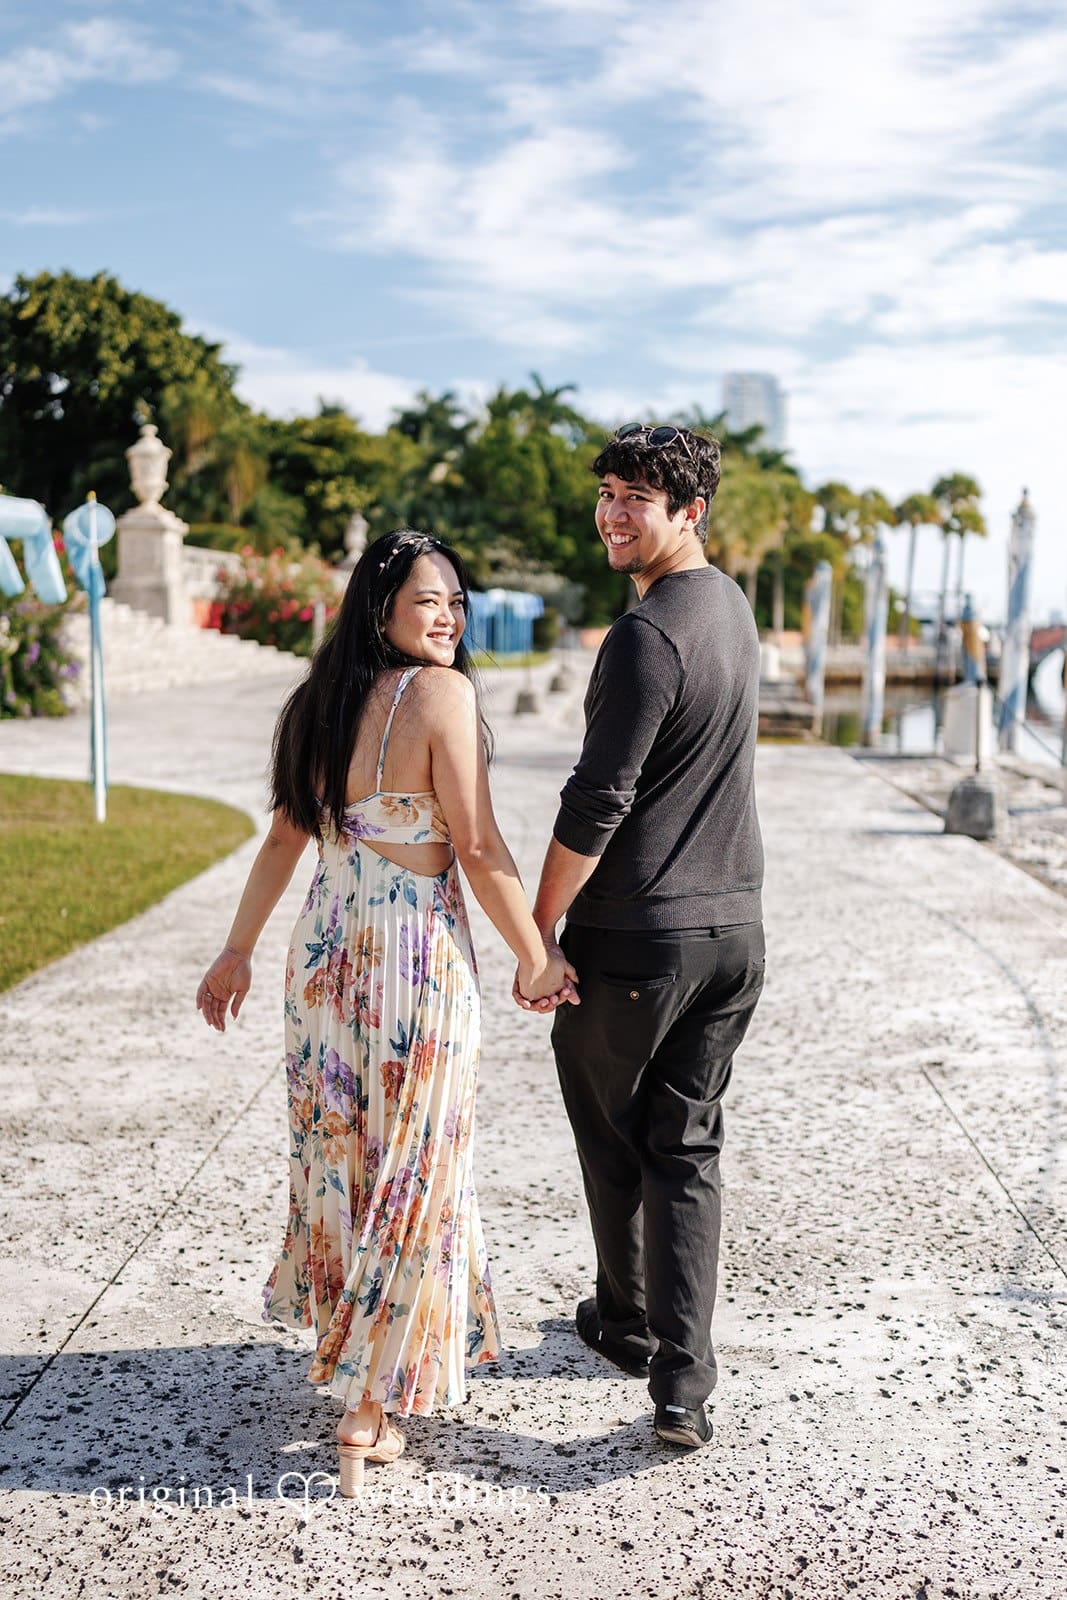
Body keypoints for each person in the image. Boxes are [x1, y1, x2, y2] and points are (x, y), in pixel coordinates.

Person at [196, 529, 576, 1496]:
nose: (448, 618)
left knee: (346, 1150)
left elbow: (287, 841)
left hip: (324, 956)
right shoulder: (442, 696)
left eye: (456, 600)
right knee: (417, 1158)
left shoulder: (318, 701)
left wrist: (237, 951)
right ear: (380, 610)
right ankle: (368, 1409)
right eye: (426, 602)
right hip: (412, 958)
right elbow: (480, 849)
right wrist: (538, 957)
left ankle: (359, 1356)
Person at [520, 423, 765, 1451]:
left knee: (616, 1142)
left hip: (636, 940)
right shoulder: (733, 610)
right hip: (733, 934)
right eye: (609, 493)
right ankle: (682, 1387)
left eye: (638, 499)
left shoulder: (645, 633)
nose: (614, 513)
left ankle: (625, 1323)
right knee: (687, 1150)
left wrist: (537, 929)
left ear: (688, 513)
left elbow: (596, 801)